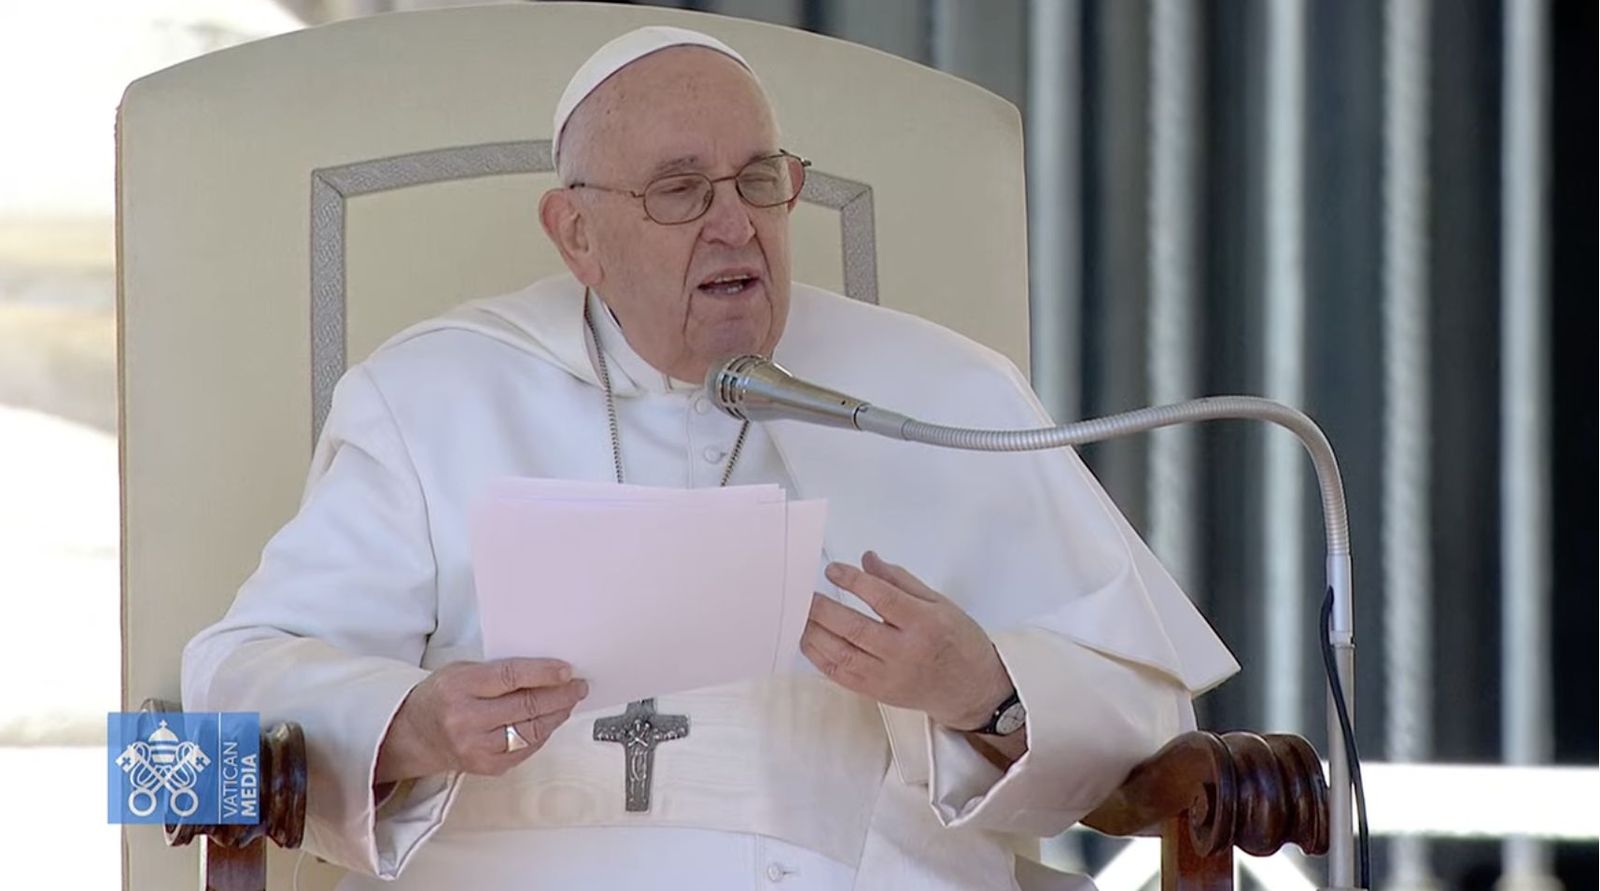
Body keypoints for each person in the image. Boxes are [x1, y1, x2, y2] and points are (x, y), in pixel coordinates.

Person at [182, 25, 1238, 891]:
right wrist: (407, 723)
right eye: (680, 191)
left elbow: (1152, 723)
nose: (735, 224)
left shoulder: (947, 394)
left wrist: (989, 693)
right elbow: (186, 737)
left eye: (760, 181)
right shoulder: (428, 396)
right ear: (575, 235)